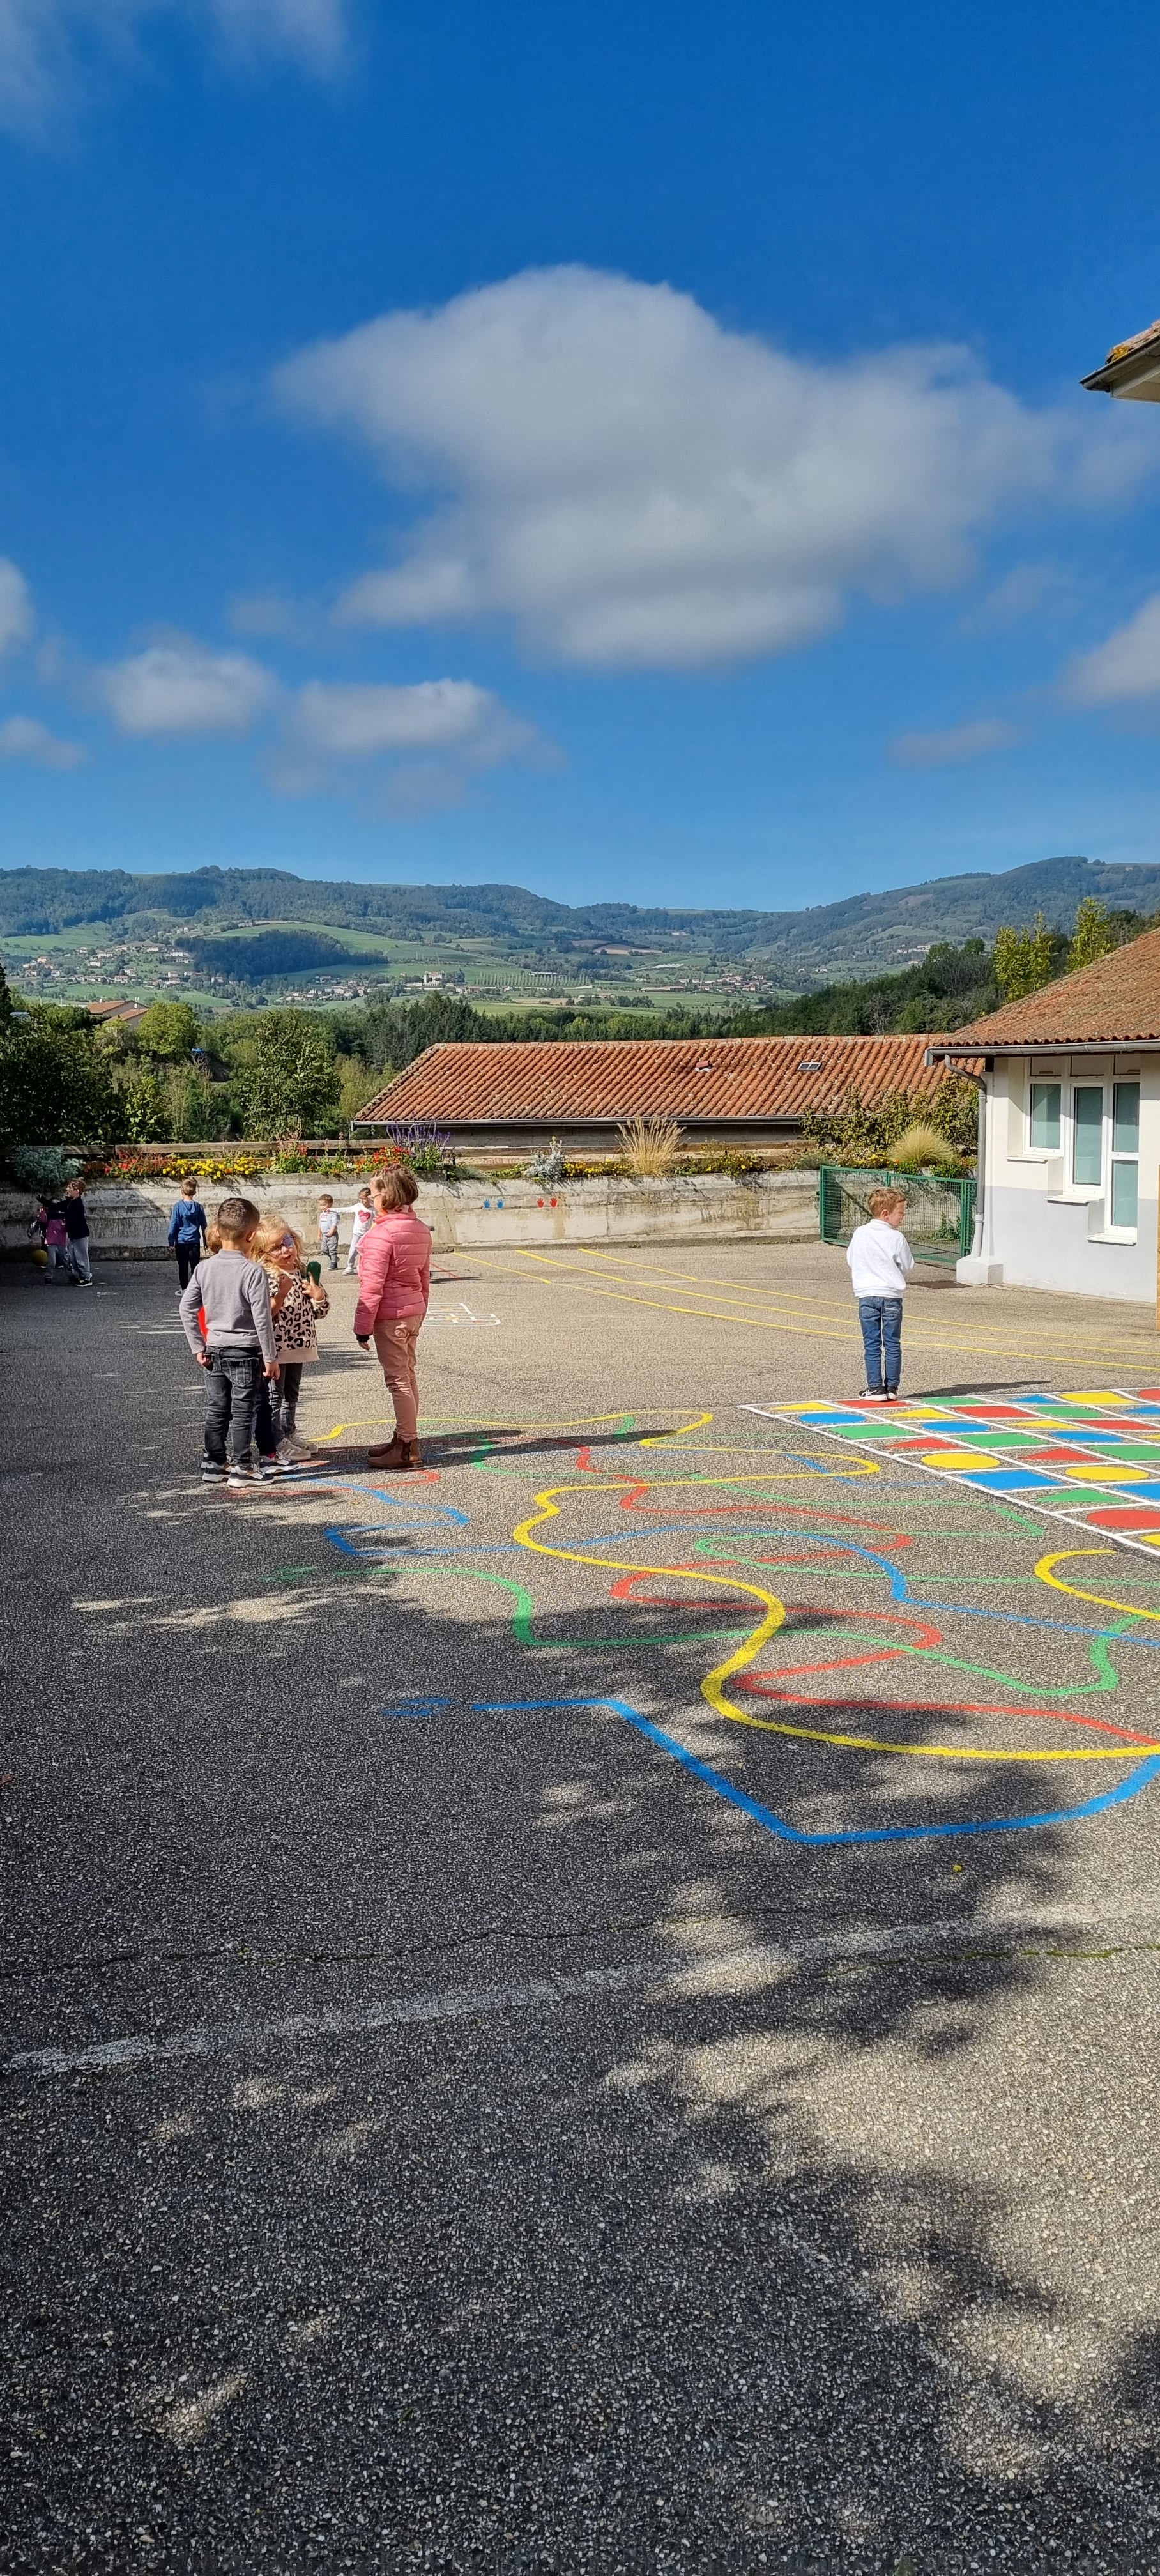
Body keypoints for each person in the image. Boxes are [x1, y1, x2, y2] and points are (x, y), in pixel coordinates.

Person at [178, 1194, 282, 1487]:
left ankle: (214, 1463)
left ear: (218, 1232)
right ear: (252, 1236)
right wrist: (271, 1357)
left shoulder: (204, 1268)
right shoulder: (252, 1271)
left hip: (214, 1350)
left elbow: (187, 1306)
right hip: (246, 1351)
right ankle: (243, 1467)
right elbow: (262, 1317)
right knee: (243, 1410)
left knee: (216, 1408)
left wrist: (198, 1345)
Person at [353, 1168, 431, 1470]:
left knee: (398, 1381)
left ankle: (407, 1445)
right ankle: (404, 1437)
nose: (370, 1199)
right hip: (412, 1312)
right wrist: (421, 1311)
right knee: (408, 1375)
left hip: (390, 1316)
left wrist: (362, 1328)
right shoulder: (420, 1228)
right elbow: (424, 1278)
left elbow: (371, 1287)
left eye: (372, 1194)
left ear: (385, 1196)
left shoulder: (381, 1234)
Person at [253, 1217, 330, 1462]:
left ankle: (289, 1432)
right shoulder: (266, 1274)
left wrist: (318, 1295)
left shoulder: (303, 1271)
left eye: (287, 1241)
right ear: (263, 1252)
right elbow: (264, 1313)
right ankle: (277, 1440)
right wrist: (283, 1293)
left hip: (300, 1344)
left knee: (292, 1394)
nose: (286, 1249)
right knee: (276, 1395)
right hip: (277, 1346)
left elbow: (320, 1312)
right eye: (277, 1246)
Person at [846, 1186, 913, 1402]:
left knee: (872, 1343)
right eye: (901, 1213)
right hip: (892, 1295)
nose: (903, 1217)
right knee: (892, 1342)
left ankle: (875, 1387)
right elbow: (907, 1265)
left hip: (867, 1294)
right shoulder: (897, 1237)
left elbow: (851, 1259)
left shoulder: (860, 1233)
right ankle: (891, 1387)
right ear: (886, 1213)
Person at [167, 1179, 208, 1292]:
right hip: (194, 1240)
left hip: (181, 1241)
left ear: (182, 1191)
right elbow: (204, 1225)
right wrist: (206, 1242)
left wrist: (171, 1241)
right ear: (195, 1192)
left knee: (183, 1266)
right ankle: (196, 1289)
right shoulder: (199, 1208)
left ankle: (184, 1288)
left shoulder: (178, 1207)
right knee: (195, 1266)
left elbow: (173, 1225)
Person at [63, 1178, 93, 1285]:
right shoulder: (70, 1202)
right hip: (73, 1234)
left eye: (70, 1188)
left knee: (81, 1256)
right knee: (71, 1256)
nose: (67, 1189)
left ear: (77, 1191)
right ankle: (79, 1275)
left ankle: (86, 1277)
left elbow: (74, 1218)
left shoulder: (77, 1204)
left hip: (80, 1234)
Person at [339, 1186, 374, 1276]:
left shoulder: (374, 1209)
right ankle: (350, 1267)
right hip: (357, 1234)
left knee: (366, 1253)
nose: (363, 1201)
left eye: (364, 1199)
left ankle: (365, 1268)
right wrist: (331, 1210)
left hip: (368, 1235)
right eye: (361, 1198)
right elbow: (345, 1209)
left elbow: (377, 1220)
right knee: (352, 1252)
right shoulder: (358, 1207)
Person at [37, 1194, 69, 1282]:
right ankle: (48, 1276)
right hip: (51, 1242)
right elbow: (42, 1220)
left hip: (62, 1242)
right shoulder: (49, 1215)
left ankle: (71, 1274)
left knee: (66, 1260)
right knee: (52, 1261)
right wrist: (44, 1208)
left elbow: (67, 1227)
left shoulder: (63, 1216)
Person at [317, 1195, 340, 1271]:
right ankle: (335, 1258)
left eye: (324, 1205)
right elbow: (320, 1225)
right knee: (324, 1249)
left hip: (332, 1235)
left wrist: (331, 1232)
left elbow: (334, 1224)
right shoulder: (322, 1214)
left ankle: (334, 1263)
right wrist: (319, 1234)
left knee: (332, 1250)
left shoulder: (333, 1214)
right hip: (325, 1235)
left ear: (330, 1204)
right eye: (321, 1205)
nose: (322, 1207)